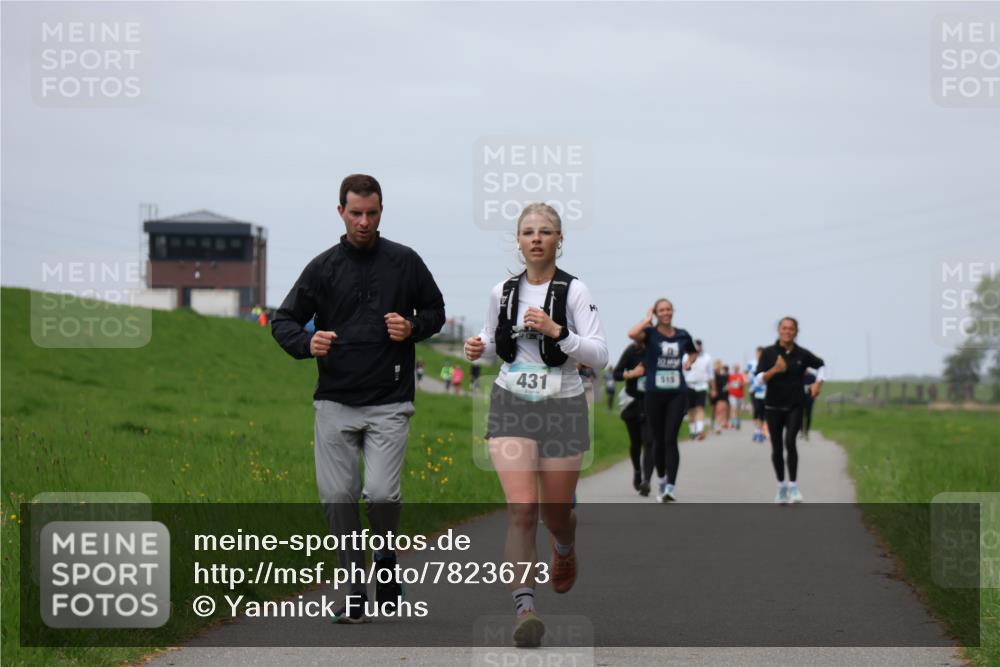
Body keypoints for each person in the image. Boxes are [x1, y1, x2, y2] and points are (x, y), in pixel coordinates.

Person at [271, 174, 445, 623]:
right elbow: (283, 320)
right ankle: (353, 589)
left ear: (381, 212)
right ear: (341, 212)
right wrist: (307, 343)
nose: (364, 222)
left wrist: (413, 327)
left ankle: (384, 560)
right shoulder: (322, 268)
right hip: (335, 401)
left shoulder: (405, 262)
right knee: (338, 497)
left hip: (390, 400)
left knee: (381, 494)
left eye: (371, 213)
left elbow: (436, 310)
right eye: (355, 213)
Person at [464, 202, 607, 648]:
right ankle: (525, 609)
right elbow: (495, 342)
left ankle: (564, 543)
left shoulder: (575, 291)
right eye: (528, 232)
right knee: (522, 507)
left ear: (559, 239)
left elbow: (600, 354)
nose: (536, 239)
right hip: (511, 402)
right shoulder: (502, 292)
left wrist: (556, 331)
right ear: (518, 240)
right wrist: (478, 347)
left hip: (563, 406)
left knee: (554, 514)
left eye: (545, 231)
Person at [628, 299, 698, 502]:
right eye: (662, 310)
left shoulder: (683, 334)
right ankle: (661, 479)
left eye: (668, 309)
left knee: (670, 438)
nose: (666, 313)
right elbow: (632, 334)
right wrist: (647, 319)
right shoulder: (650, 333)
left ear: (673, 311)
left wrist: (689, 361)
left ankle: (670, 487)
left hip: (677, 393)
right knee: (658, 440)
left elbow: (693, 352)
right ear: (656, 313)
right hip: (654, 393)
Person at [754, 317, 825, 504]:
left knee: (790, 443)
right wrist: (774, 370)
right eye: (784, 328)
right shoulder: (768, 353)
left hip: (795, 405)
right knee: (777, 448)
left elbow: (821, 364)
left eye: (791, 329)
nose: (787, 332)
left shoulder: (802, 354)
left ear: (796, 332)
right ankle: (781, 487)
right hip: (773, 406)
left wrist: (818, 383)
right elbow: (758, 379)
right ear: (779, 330)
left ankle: (793, 486)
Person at [613, 341, 654, 495]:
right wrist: (632, 374)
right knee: (636, 443)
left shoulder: (658, 350)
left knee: (649, 442)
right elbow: (616, 374)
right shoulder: (631, 351)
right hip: (632, 403)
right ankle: (637, 471)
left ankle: (646, 481)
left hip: (651, 403)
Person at [682, 339, 712, 440]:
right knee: (691, 409)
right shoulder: (685, 356)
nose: (698, 348)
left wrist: (713, 388)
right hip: (689, 385)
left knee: (700, 407)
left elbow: (710, 374)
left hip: (702, 385)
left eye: (699, 346)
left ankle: (699, 430)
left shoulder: (707, 357)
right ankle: (692, 431)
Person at [747, 347, 767, 443]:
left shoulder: (767, 363)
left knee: (762, 411)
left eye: (761, 354)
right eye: (758, 353)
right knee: (756, 410)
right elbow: (749, 376)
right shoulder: (751, 363)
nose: (759, 355)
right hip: (754, 390)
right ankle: (757, 430)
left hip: (764, 391)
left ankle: (760, 431)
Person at [710, 358, 729, 434]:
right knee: (715, 410)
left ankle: (718, 425)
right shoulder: (713, 375)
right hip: (716, 394)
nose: (718, 367)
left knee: (719, 411)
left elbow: (725, 385)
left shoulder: (722, 375)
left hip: (721, 395)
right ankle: (715, 424)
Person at [728, 364, 746, 430]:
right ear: (733, 368)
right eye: (735, 367)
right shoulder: (730, 376)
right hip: (732, 395)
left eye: (737, 367)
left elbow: (745, 383)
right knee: (733, 407)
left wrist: (741, 383)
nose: (736, 369)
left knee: (738, 409)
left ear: (739, 368)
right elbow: (728, 384)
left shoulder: (741, 376)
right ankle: (733, 423)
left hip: (740, 395)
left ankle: (738, 421)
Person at [801, 369, 817, 440]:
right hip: (800, 399)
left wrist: (811, 387)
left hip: (809, 398)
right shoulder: (799, 376)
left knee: (808, 415)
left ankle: (807, 431)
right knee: (800, 415)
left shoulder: (812, 376)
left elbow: (816, 386)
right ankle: (801, 430)